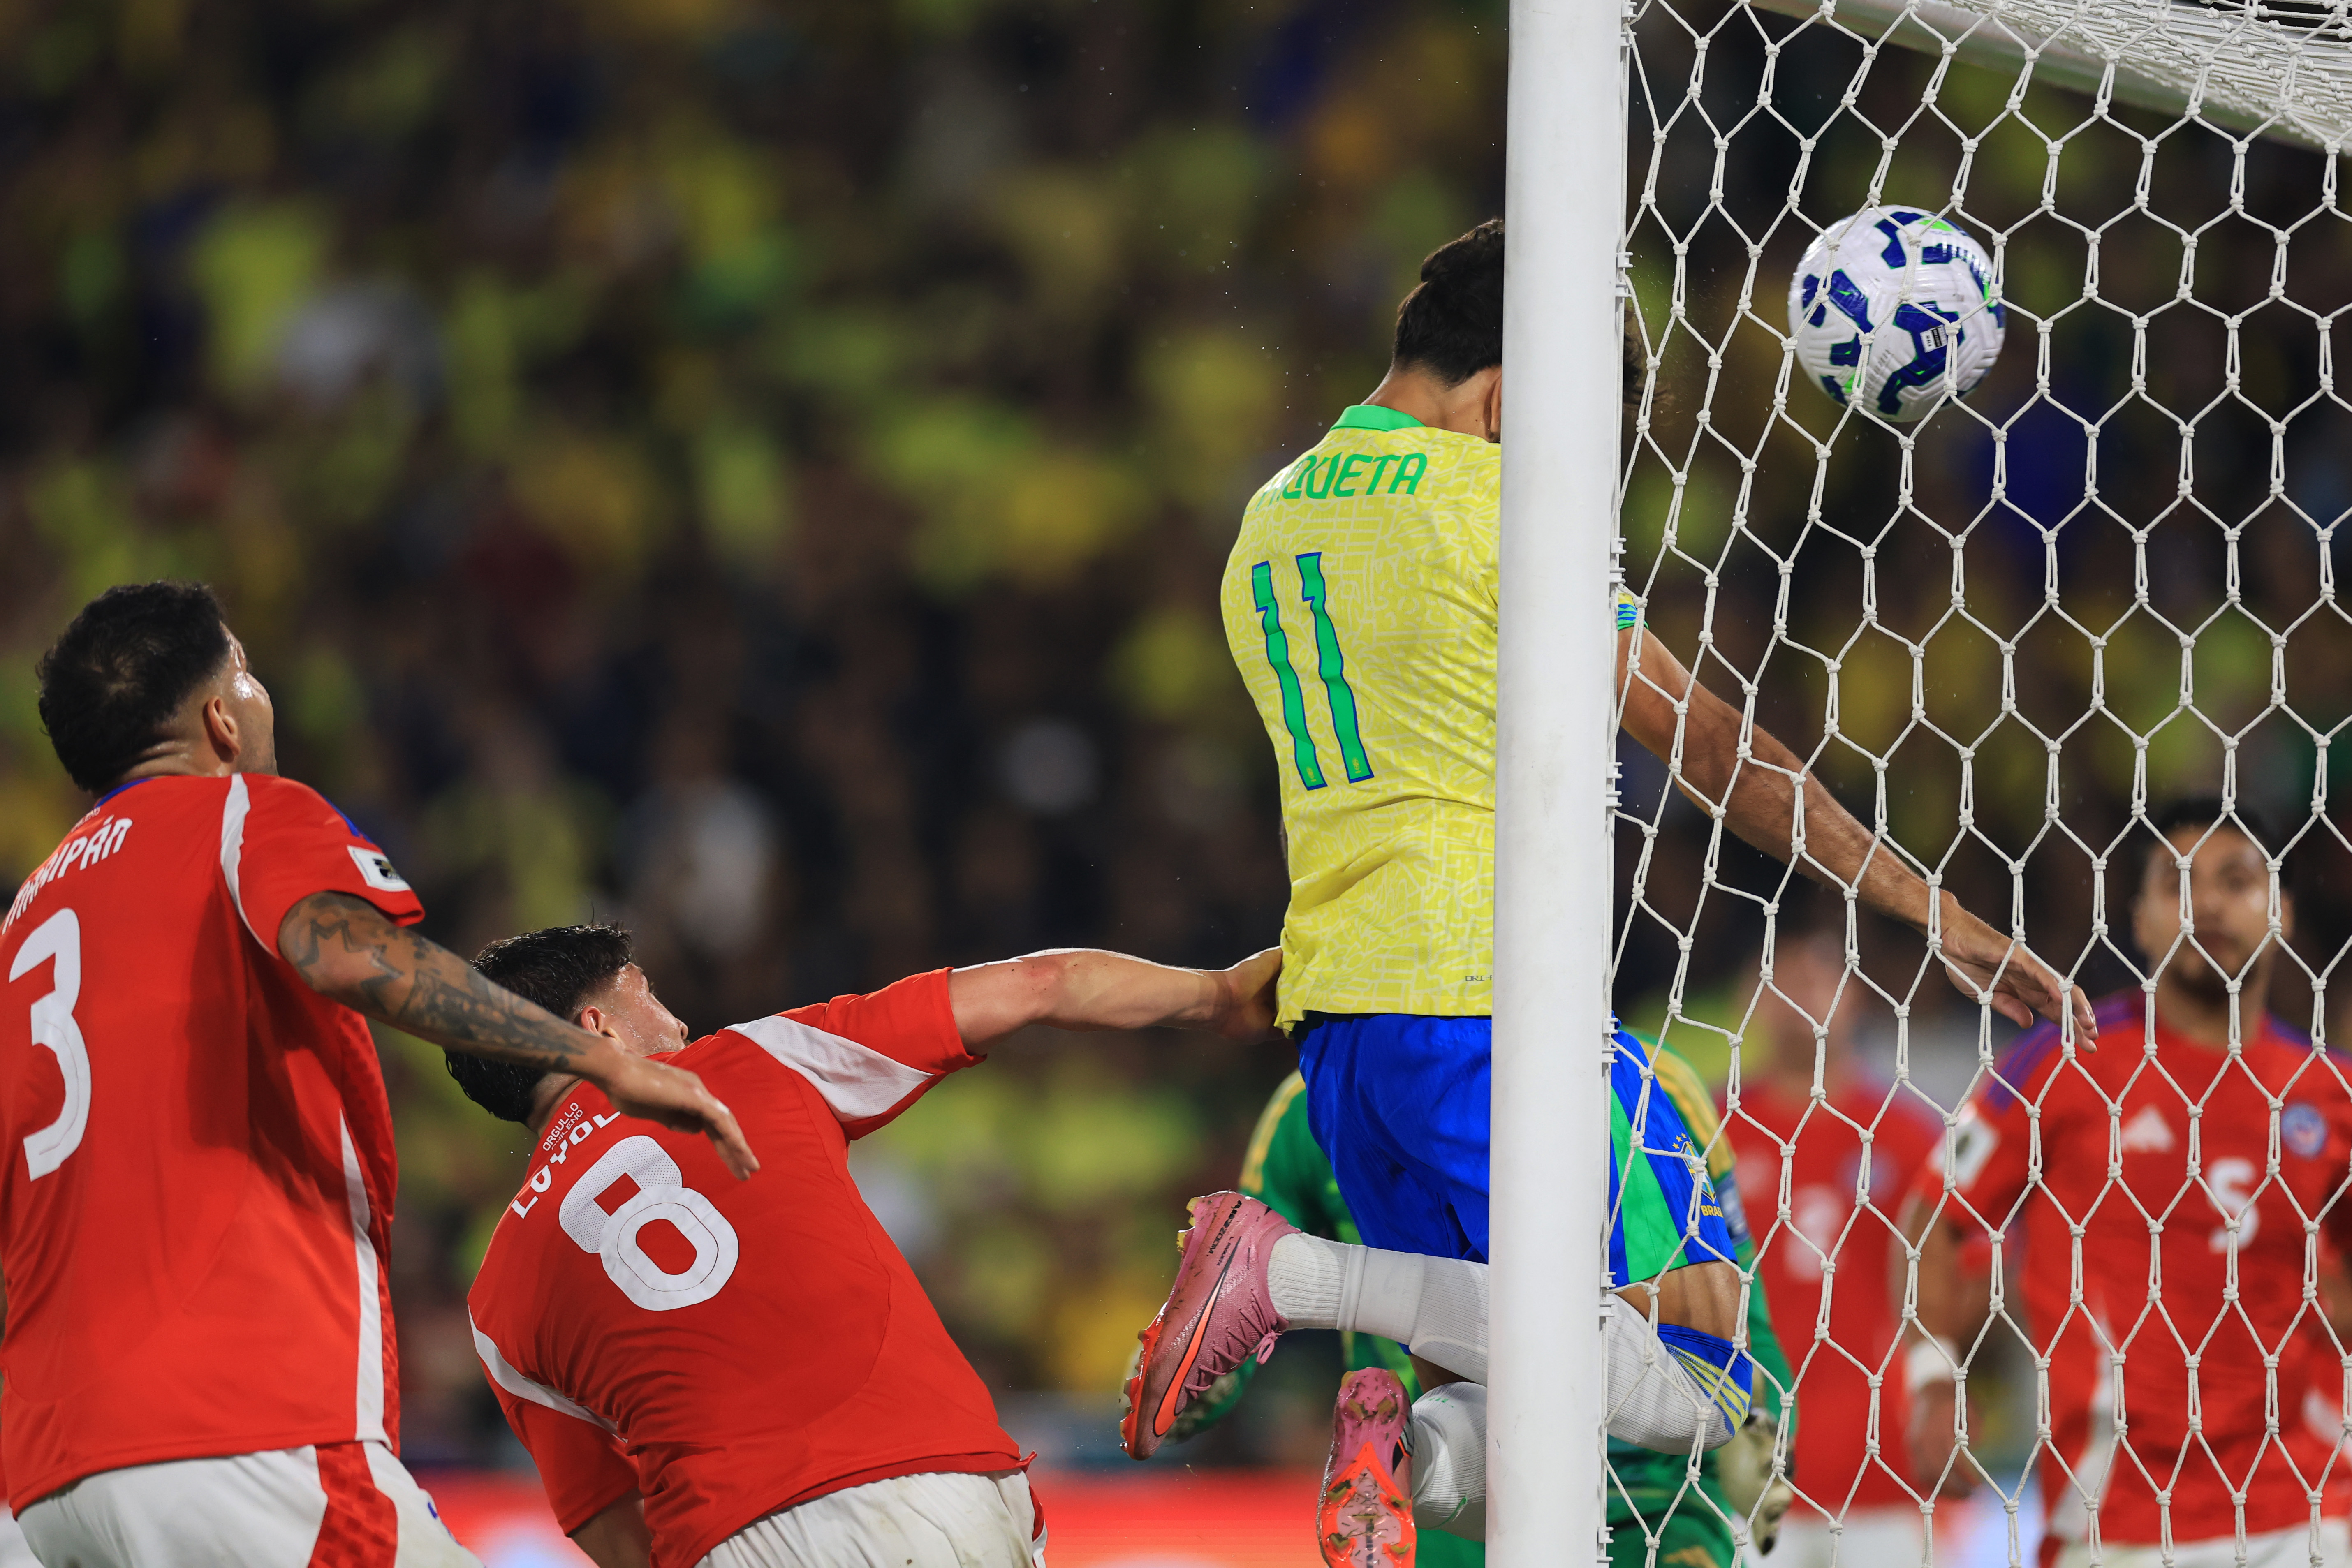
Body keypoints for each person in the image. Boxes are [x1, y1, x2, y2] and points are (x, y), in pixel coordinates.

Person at [1127, 216, 2088, 1561]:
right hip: (1490, 1008)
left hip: (1344, 1034)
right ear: (1515, 394)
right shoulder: (1491, 512)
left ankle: (1381, 1417)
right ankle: (1289, 1275)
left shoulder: (1268, 518)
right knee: (1705, 1386)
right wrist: (1937, 911)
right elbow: (1706, 743)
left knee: (1516, 1439)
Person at [0, 582, 753, 1568]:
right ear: (222, 717)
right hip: (238, 1427)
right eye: (248, 673)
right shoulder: (240, 814)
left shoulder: (23, 930)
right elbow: (338, 947)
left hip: (49, 1477)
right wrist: (594, 1056)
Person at [451, 923, 1282, 1568]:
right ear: (598, 1029)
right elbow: (1041, 982)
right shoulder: (744, 1064)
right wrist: (1217, 994)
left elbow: (614, 1532)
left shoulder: (495, 1301)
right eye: (649, 996)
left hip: (732, 1538)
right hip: (928, 1489)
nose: (679, 1019)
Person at [1903, 798, 2352, 1568]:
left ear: (2280, 911)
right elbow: (1933, 1216)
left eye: (2236, 879)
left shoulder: (2332, 1096)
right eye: (2178, 884)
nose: (2207, 902)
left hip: (2303, 1511)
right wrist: (1934, 1382)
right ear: (2141, 920)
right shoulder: (2064, 1063)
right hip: (2116, 1521)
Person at [1179, 1050, 1797, 1568]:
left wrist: (1195, 1372)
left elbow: (1233, 1273)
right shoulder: (1649, 1078)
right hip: (1632, 1486)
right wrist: (1758, 1418)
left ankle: (1398, 1440)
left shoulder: (1333, 1089)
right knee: (1697, 1398)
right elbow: (1745, 1311)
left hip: (1488, 1489)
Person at [1720, 930, 1941, 1567]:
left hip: (1883, 1470)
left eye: (1827, 976)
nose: (1809, 995)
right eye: (1790, 976)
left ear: (1859, 999)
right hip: (1747, 1473)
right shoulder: (1711, 1129)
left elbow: (1958, 1287)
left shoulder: (1906, 1134)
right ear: (1754, 996)